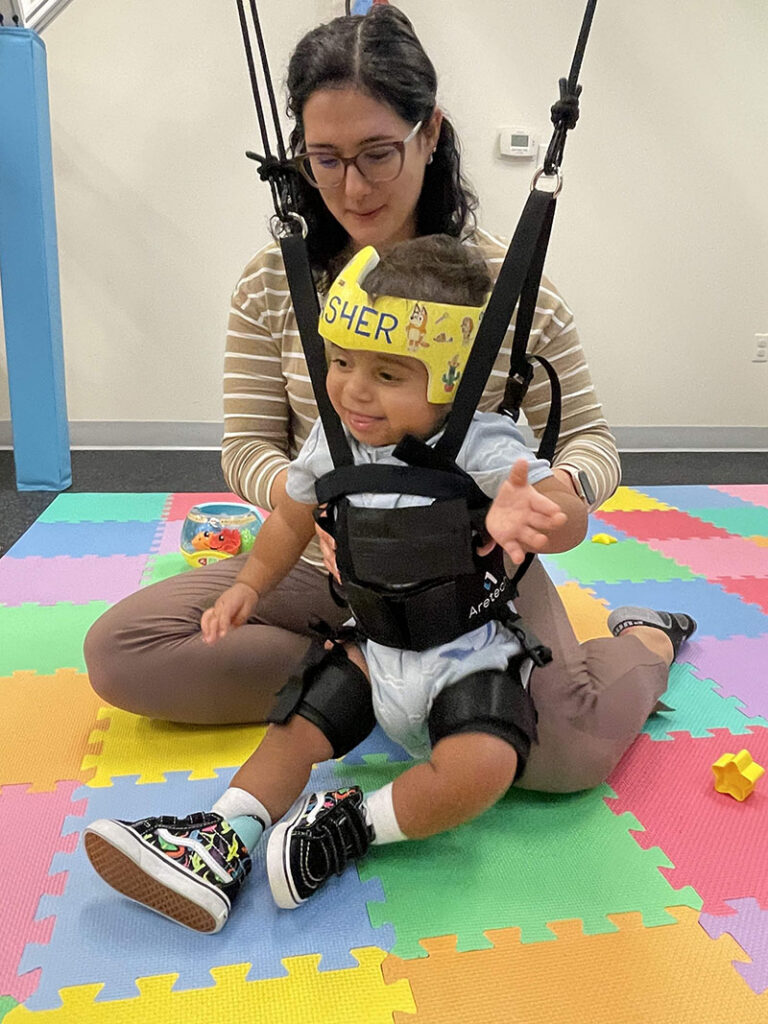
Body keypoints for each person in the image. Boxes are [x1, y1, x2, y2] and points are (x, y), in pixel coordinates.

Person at [82, 5, 696, 931]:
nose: (350, 184)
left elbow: (590, 444)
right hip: (329, 554)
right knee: (122, 654)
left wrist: (559, 501)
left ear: (430, 132)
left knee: (561, 755)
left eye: (376, 151)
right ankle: (367, 683)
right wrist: (319, 512)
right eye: (321, 158)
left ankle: (642, 639)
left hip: (470, 572)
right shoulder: (270, 280)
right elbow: (247, 445)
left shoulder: (502, 287)